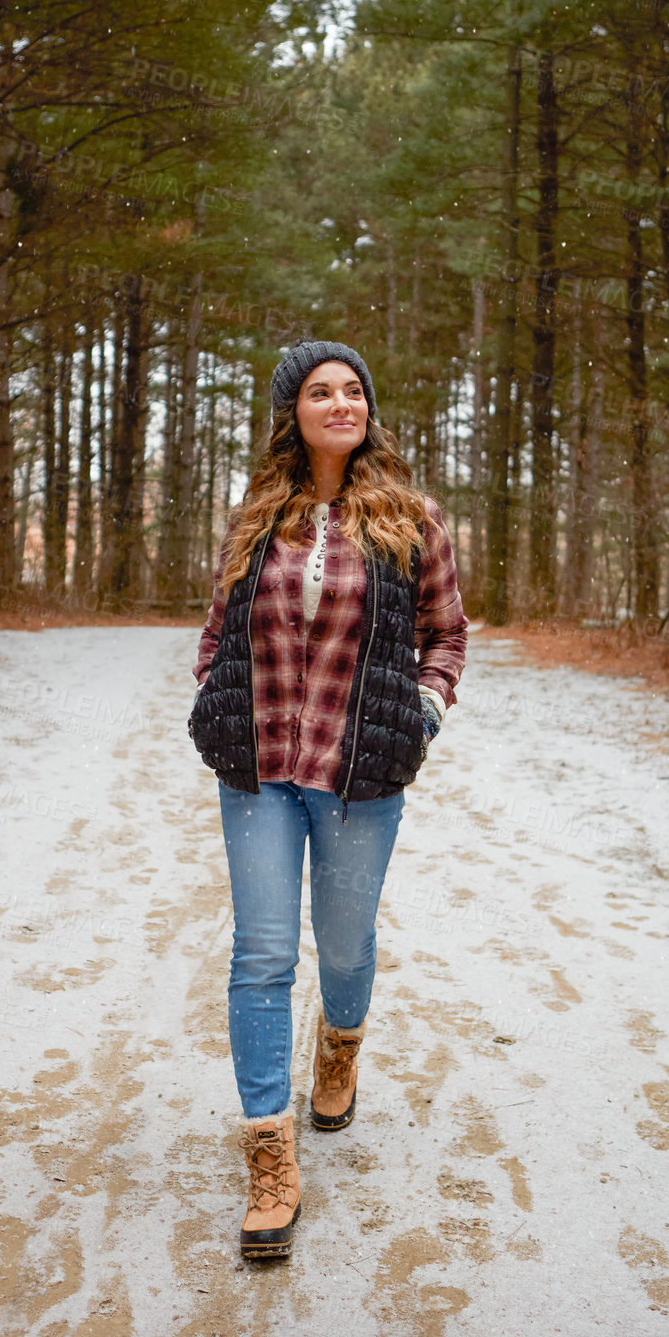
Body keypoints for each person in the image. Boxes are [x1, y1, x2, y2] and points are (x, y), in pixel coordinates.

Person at [189, 339, 467, 1260]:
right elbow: (220, 629)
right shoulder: (257, 517)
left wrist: (421, 711)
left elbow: (447, 634)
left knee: (343, 945)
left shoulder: (411, 518)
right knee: (262, 953)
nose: (341, 403)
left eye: (355, 390)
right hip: (260, 763)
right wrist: (209, 700)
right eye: (322, 392)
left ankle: (340, 1042)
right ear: (292, 412)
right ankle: (270, 1154)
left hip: (361, 771)